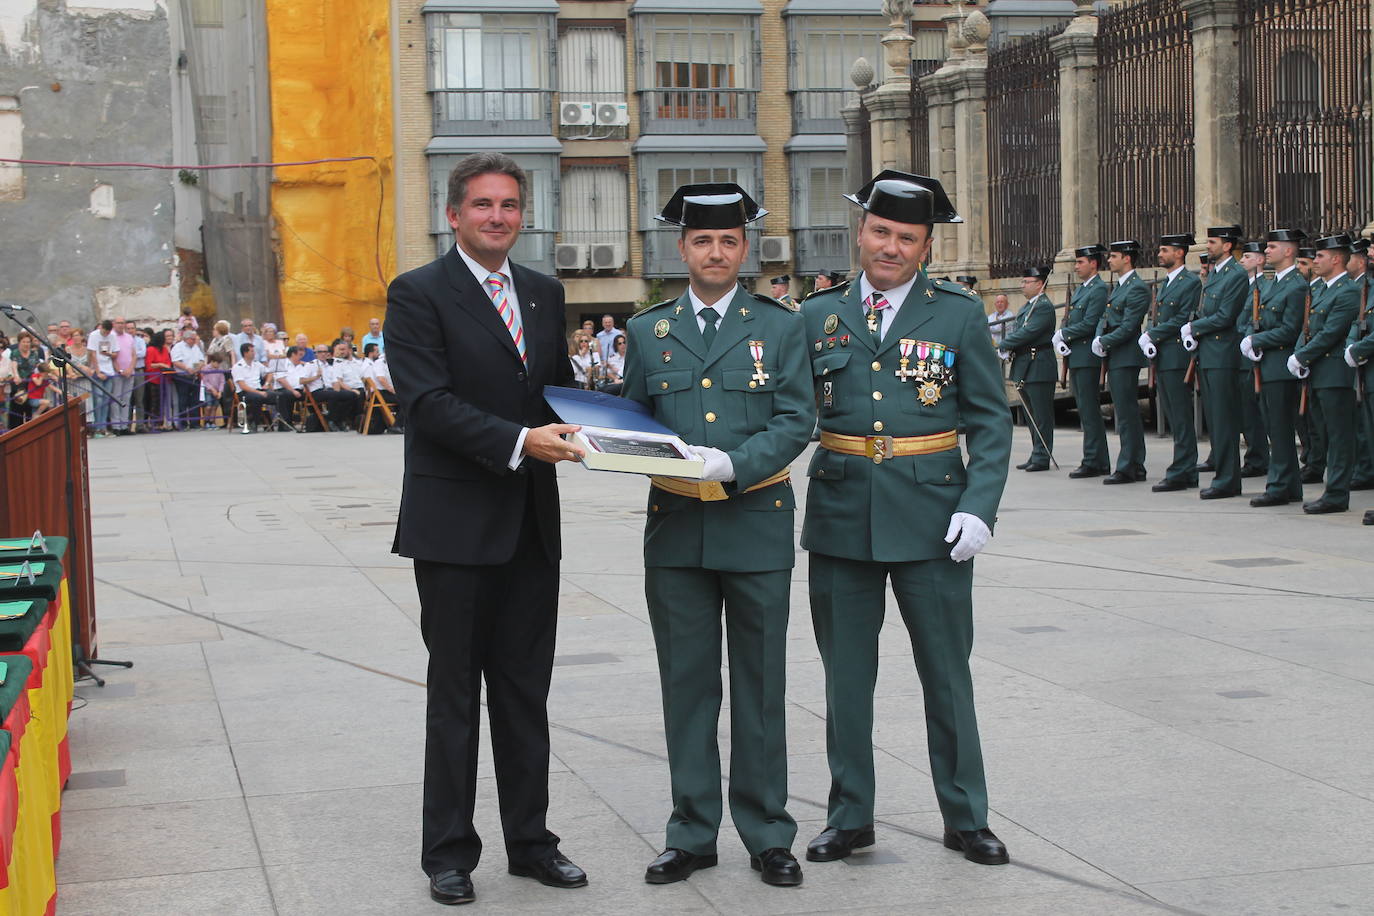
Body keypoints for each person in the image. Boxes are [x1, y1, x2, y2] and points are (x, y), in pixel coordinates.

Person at [385, 151, 586, 906]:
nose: (497, 217)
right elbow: (426, 403)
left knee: (524, 692)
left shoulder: (542, 292)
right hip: (455, 528)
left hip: (532, 525)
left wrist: (613, 424)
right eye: (482, 205)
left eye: (508, 205)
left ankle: (532, 843)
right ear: (453, 214)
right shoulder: (418, 295)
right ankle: (448, 853)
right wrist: (520, 441)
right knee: (455, 694)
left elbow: (556, 388)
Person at [800, 170, 1013, 869]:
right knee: (846, 678)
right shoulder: (816, 314)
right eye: (882, 232)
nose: (891, 247)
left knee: (947, 674)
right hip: (840, 513)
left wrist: (979, 506)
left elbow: (989, 419)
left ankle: (965, 815)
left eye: (907, 239)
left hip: (933, 518)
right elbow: (785, 417)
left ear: (925, 248)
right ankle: (850, 815)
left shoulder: (956, 313)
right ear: (861, 231)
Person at [622, 182, 812, 889]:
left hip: (755, 523)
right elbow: (631, 423)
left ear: (745, 249)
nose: (715, 252)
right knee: (687, 687)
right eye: (702, 241)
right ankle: (691, 833)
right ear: (682, 250)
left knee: (761, 687)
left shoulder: (781, 326)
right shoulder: (649, 331)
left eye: (728, 241)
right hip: (676, 533)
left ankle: (768, 834)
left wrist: (734, 463)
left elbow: (796, 421)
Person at [1290, 233, 1360, 514]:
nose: (1315, 260)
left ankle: (1337, 494)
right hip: (1318, 372)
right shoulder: (1321, 289)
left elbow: (1332, 332)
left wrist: (1302, 355)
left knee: (1339, 436)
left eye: (1320, 256)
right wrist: (1300, 355)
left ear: (1336, 259)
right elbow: (1309, 329)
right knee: (1325, 434)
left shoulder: (1348, 291)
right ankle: (1332, 490)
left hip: (1335, 373)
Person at [1241, 229, 1308, 507]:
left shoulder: (1296, 285)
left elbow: (1290, 330)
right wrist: (1250, 337)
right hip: (1266, 363)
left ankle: (1279, 485)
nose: (1266, 252)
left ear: (1289, 251)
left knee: (1280, 429)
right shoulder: (1269, 284)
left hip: (1281, 365)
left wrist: (1256, 340)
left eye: (1272, 247)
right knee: (1274, 427)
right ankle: (1290, 486)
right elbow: (1254, 317)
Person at [1184, 225, 1249, 499]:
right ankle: (1223, 475)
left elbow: (1224, 316)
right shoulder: (1215, 274)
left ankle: (1228, 480)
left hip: (1223, 355)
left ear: (1227, 245)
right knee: (1215, 419)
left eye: (1212, 242)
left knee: (1224, 420)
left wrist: (1194, 328)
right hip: (1208, 354)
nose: (1207, 246)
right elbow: (1204, 309)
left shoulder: (1235, 275)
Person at [1141, 234, 1202, 491]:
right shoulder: (1166, 283)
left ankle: (1184, 469)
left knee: (1180, 415)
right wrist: (1150, 335)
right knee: (1173, 415)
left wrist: (1152, 334)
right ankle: (1182, 467)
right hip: (1163, 356)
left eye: (1164, 250)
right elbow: (1158, 316)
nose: (1159, 254)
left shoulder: (1189, 282)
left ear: (1179, 253)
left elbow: (1181, 319)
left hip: (1177, 357)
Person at [1092, 240, 1149, 484]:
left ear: (1127, 258)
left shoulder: (1136, 287)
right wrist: (1100, 337)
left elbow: (1128, 326)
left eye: (1114, 256)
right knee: (1123, 413)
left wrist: (1105, 341)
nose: (1109, 260)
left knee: (1127, 414)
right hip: (1116, 355)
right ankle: (1132, 464)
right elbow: (1106, 317)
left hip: (1126, 356)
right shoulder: (1119, 287)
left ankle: (1130, 465)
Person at [1055, 244, 1111, 477]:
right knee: (1085, 412)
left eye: (1080, 262)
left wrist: (1065, 334)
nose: (1077, 266)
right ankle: (1094, 458)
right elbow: (1070, 318)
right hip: (1077, 356)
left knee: (1089, 411)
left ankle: (1095, 460)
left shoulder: (1098, 289)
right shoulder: (1081, 289)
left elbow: (1089, 323)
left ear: (1093, 263)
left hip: (1087, 357)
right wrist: (1062, 332)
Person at [999, 266, 1056, 471]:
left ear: (1040, 284)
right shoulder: (1027, 307)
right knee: (1031, 414)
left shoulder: (1043, 307)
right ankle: (1036, 453)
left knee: (1041, 415)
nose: (1022, 285)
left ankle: (1042, 456)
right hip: (1025, 364)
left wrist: (1004, 344)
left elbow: (1029, 332)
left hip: (1038, 364)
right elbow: (1019, 330)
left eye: (1027, 282)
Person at [1344, 238, 1374, 523]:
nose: (1370, 254)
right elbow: (1359, 321)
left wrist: (1359, 349)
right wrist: (1353, 345)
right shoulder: (1367, 287)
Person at [231, 342, 272, 433]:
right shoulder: (238, 367)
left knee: (277, 395)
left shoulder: (257, 364)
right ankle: (254, 423)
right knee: (256, 398)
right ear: (245, 353)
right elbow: (243, 386)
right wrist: (259, 392)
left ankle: (278, 423)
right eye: (252, 351)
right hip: (244, 393)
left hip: (258, 390)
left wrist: (267, 383)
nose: (254, 353)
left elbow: (269, 372)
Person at [171, 329, 208, 429]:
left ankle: (195, 423)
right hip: (183, 377)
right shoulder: (178, 347)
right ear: (186, 339)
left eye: (195, 339)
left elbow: (201, 359)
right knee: (183, 400)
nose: (194, 341)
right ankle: (183, 423)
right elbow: (176, 361)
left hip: (194, 376)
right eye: (192, 339)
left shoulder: (196, 347)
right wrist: (187, 368)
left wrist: (197, 367)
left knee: (195, 401)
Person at [88, 320, 118, 435]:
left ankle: (103, 426)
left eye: (108, 332)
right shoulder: (94, 335)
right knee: (98, 399)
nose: (106, 335)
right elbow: (93, 354)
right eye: (104, 332)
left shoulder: (113, 336)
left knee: (106, 400)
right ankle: (96, 426)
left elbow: (115, 353)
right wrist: (98, 371)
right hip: (98, 370)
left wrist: (108, 354)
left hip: (109, 370)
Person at [144, 329, 173, 429]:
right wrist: (160, 364)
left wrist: (165, 366)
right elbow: (149, 365)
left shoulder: (164, 349)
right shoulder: (151, 349)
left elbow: (168, 362)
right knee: (154, 401)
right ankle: (153, 422)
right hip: (153, 379)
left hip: (164, 378)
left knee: (162, 401)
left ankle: (160, 423)